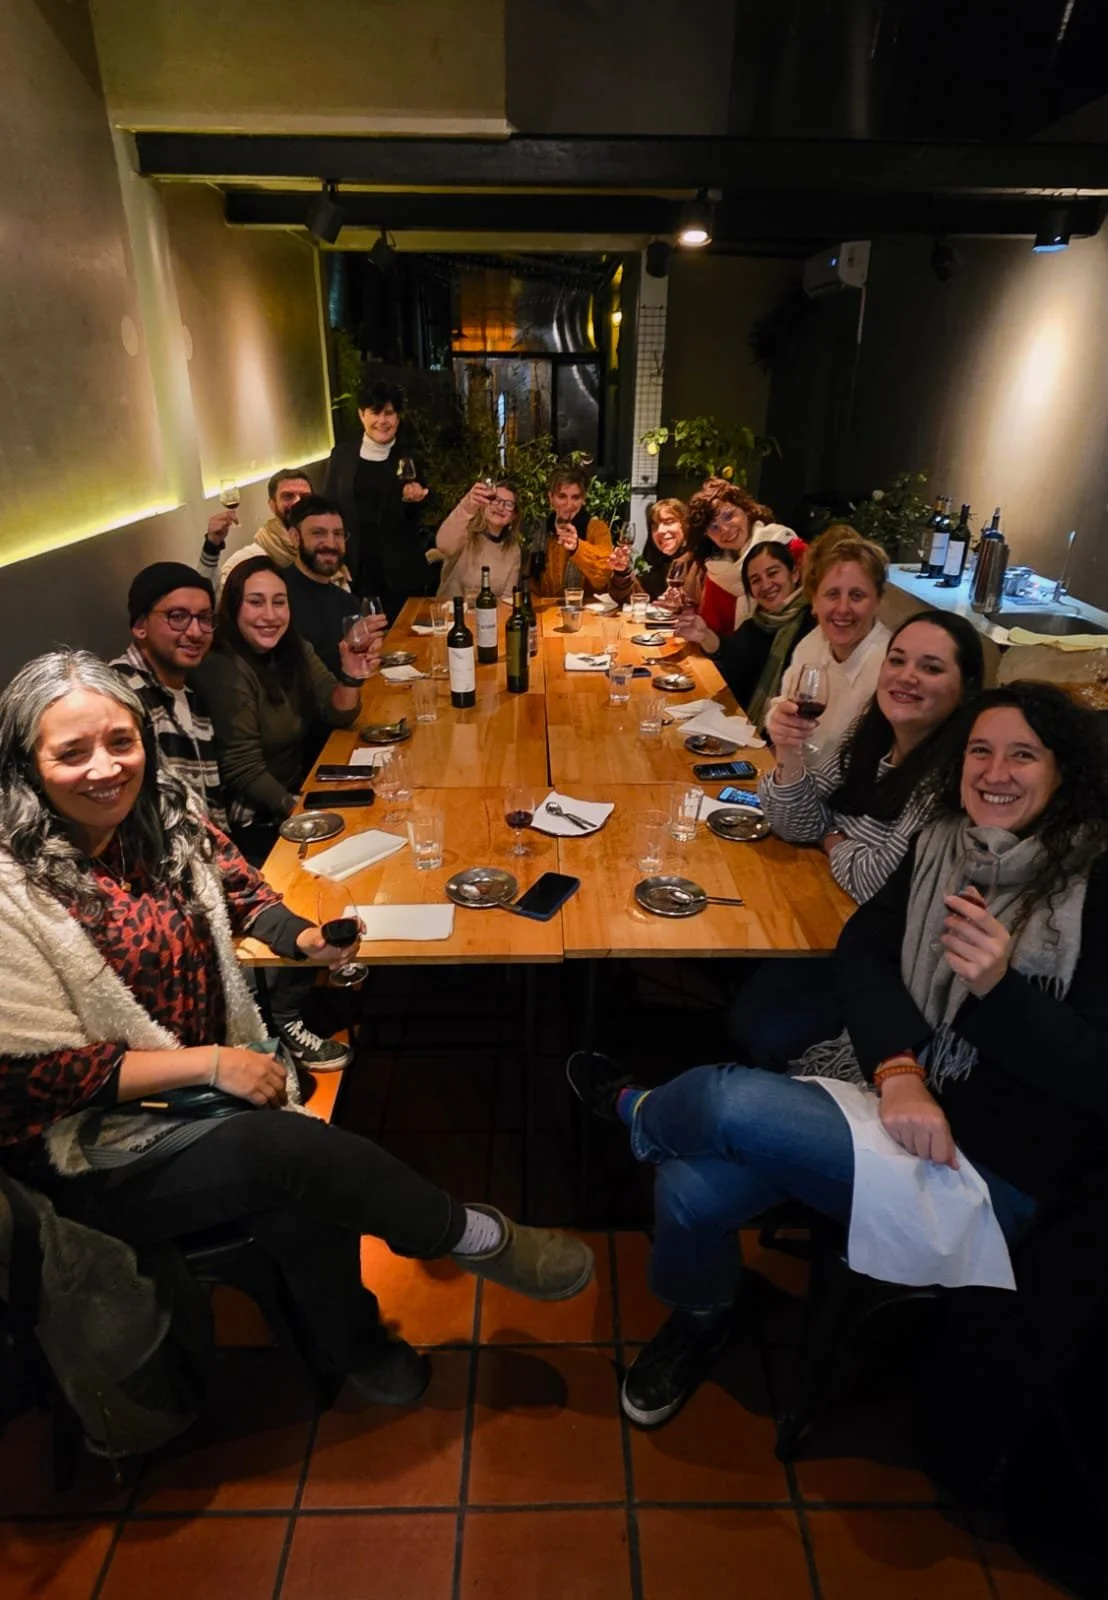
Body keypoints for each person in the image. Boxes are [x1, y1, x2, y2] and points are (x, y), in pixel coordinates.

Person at [0, 650, 595, 1411]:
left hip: (198, 1100)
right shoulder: (13, 886)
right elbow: (27, 1075)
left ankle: (354, 1344)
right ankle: (470, 1238)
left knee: (298, 1183)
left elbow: (244, 894)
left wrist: (306, 940)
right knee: (291, 1150)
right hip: (89, 1146)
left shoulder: (163, 814)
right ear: (26, 765)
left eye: (121, 741)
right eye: (72, 752)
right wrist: (212, 1064)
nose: (106, 767)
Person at [569, 682, 1108, 1429]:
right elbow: (863, 948)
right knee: (689, 1190)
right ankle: (702, 1315)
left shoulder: (1092, 887)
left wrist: (1000, 990)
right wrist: (899, 1070)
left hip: (986, 1163)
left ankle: (640, 1110)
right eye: (980, 751)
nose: (994, 772)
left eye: (1023, 756)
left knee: (725, 1099)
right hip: (892, 1097)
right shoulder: (944, 843)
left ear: (1064, 770)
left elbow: (1093, 1077)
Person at [733, 612, 985, 1066]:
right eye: (897, 660)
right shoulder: (870, 737)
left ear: (965, 688)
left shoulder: (950, 780)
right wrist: (788, 751)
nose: (906, 676)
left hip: (885, 961)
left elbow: (877, 882)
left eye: (930, 667)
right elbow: (796, 823)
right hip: (830, 924)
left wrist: (831, 837)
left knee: (763, 1025)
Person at [192, 556, 367, 860]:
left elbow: (338, 712)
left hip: (297, 793)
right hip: (256, 821)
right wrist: (300, 812)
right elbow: (242, 769)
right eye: (256, 602)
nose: (270, 615)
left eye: (279, 602)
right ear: (233, 607)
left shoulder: (291, 645)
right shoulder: (224, 666)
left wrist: (351, 675)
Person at [110, 563, 228, 832]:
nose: (195, 632)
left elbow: (211, 810)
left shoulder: (193, 697)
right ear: (140, 626)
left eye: (204, 618)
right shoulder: (120, 694)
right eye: (177, 617)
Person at [776, 525, 891, 764]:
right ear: (814, 601)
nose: (843, 608)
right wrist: (779, 723)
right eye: (832, 594)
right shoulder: (810, 645)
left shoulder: (889, 667)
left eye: (857, 596)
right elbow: (785, 706)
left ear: (878, 600)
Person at [674, 540, 815, 727]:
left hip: (792, 731)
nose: (766, 584)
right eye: (756, 580)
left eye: (773, 573)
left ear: (794, 574)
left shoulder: (813, 621)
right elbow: (732, 660)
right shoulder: (756, 625)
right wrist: (704, 635)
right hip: (747, 728)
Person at [324, 380, 433, 619]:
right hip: (354, 571)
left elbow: (421, 515)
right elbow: (329, 508)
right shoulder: (342, 456)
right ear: (361, 415)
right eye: (375, 412)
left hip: (401, 574)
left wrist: (412, 501)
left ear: (398, 418)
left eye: (389, 413)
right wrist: (334, 557)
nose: (382, 421)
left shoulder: (412, 456)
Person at [683, 479, 805, 640]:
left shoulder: (790, 547)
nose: (725, 530)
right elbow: (711, 632)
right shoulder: (717, 573)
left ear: (745, 510)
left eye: (729, 516)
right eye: (714, 527)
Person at [282, 495, 385, 678]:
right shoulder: (277, 596)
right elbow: (289, 670)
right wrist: (347, 648)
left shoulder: (348, 602)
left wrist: (368, 652)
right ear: (294, 537)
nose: (331, 544)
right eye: (318, 533)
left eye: (338, 534)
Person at [197, 467, 316, 590]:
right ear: (272, 505)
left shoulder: (322, 550)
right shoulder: (249, 560)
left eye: (305, 497)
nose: (297, 502)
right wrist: (211, 546)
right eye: (288, 496)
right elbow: (209, 594)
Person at [532, 466, 612, 598]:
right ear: (551, 498)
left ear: (583, 499)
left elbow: (604, 576)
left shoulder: (597, 528)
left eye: (575, 497)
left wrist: (577, 548)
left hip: (585, 608)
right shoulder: (542, 529)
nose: (569, 504)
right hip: (548, 608)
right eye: (562, 496)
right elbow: (531, 582)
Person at [436, 479, 521, 600]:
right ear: (484, 504)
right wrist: (466, 508)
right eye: (495, 500)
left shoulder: (513, 550)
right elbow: (443, 545)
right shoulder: (464, 531)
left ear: (513, 516)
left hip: (491, 611)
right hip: (451, 609)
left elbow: (507, 598)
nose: (500, 507)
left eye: (508, 504)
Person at [607, 499, 692, 609]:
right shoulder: (658, 567)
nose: (660, 530)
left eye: (669, 522)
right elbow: (634, 598)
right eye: (654, 526)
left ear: (686, 525)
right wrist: (622, 573)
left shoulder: (700, 566)